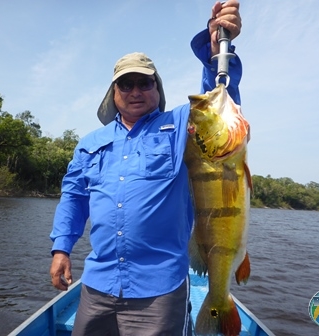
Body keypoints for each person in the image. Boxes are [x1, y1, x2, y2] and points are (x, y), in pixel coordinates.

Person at [49, 1, 242, 335]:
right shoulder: (90, 142)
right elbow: (74, 197)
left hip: (160, 290)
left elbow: (217, 100)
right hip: (98, 285)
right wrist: (61, 248)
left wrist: (216, 51)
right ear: (114, 93)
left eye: (145, 83)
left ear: (158, 88)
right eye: (126, 84)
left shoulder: (182, 126)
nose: (135, 91)